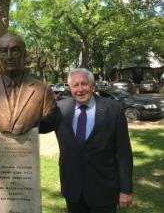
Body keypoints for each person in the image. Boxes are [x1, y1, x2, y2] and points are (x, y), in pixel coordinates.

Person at [40, 68, 133, 213]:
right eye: (75, 85)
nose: (80, 89)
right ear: (70, 88)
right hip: (73, 190)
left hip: (104, 190)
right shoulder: (60, 109)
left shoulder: (113, 109)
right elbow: (38, 126)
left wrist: (126, 190)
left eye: (84, 84)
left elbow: (124, 153)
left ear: (93, 85)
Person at [0, 33, 56, 135]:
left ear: (25, 55)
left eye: (15, 50)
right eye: (4, 52)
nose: (9, 57)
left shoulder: (43, 91)